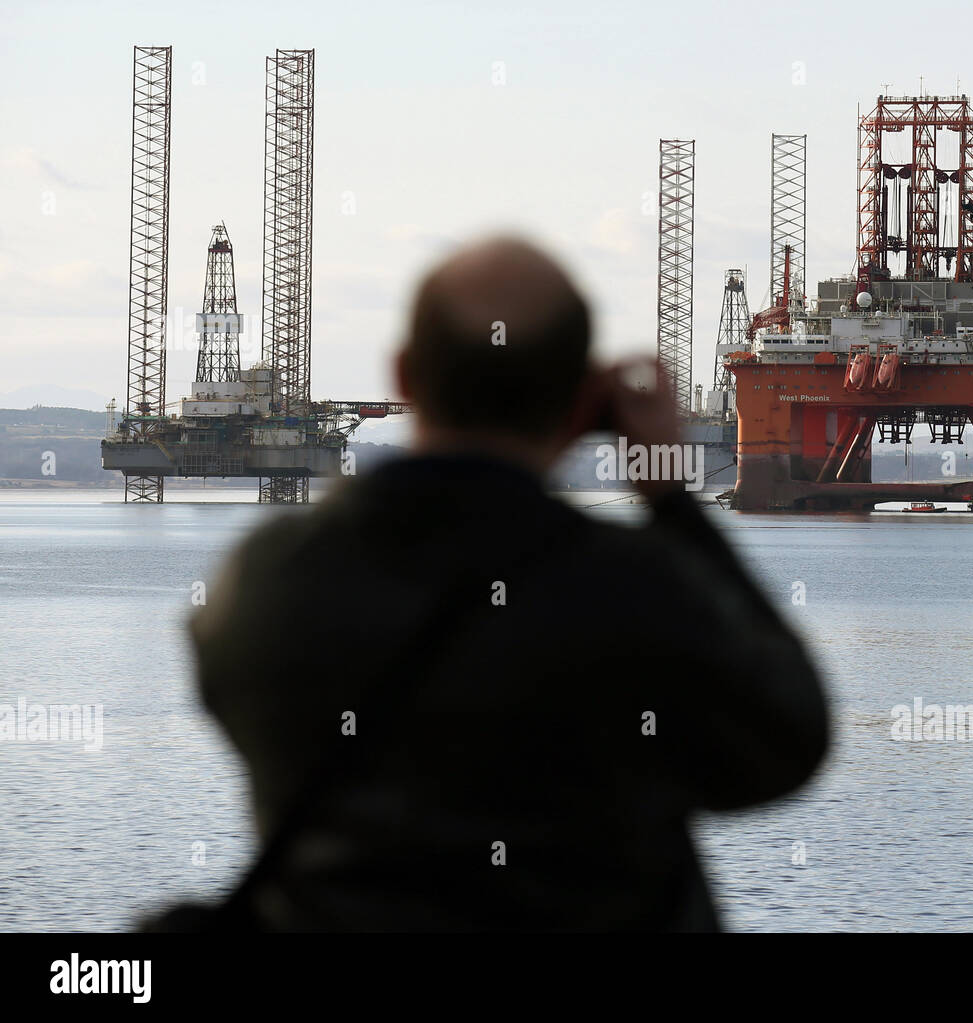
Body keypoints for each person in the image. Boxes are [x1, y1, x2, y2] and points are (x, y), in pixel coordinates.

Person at [184, 237, 828, 931]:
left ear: (403, 376)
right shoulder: (637, 586)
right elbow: (789, 741)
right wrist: (671, 503)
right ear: (587, 405)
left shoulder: (264, 583)